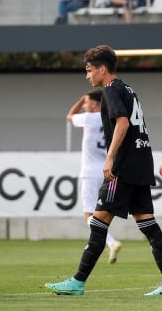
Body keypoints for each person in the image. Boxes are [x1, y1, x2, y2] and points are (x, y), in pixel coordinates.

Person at [44, 45, 162, 297]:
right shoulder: (128, 89)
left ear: (103, 69)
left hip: (123, 166)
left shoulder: (110, 90)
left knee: (97, 222)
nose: (87, 75)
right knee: (148, 223)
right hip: (141, 163)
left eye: (89, 70)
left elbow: (123, 122)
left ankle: (77, 282)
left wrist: (110, 158)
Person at [66, 89, 123, 262]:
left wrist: (80, 98)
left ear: (95, 103)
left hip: (90, 172)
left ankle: (111, 242)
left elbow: (69, 116)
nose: (85, 105)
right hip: (108, 170)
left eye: (87, 102)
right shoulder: (111, 118)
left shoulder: (89, 118)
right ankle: (94, 244)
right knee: (102, 213)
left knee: (89, 214)